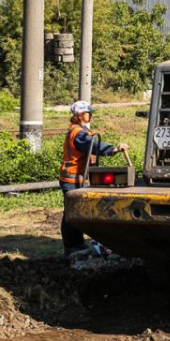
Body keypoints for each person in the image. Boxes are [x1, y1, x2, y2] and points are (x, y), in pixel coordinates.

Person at [60, 101, 127, 257]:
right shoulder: (79, 133)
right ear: (80, 115)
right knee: (72, 214)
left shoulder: (79, 131)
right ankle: (73, 246)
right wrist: (113, 149)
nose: (90, 116)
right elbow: (92, 145)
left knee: (75, 213)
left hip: (77, 178)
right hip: (73, 179)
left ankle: (77, 245)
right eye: (88, 113)